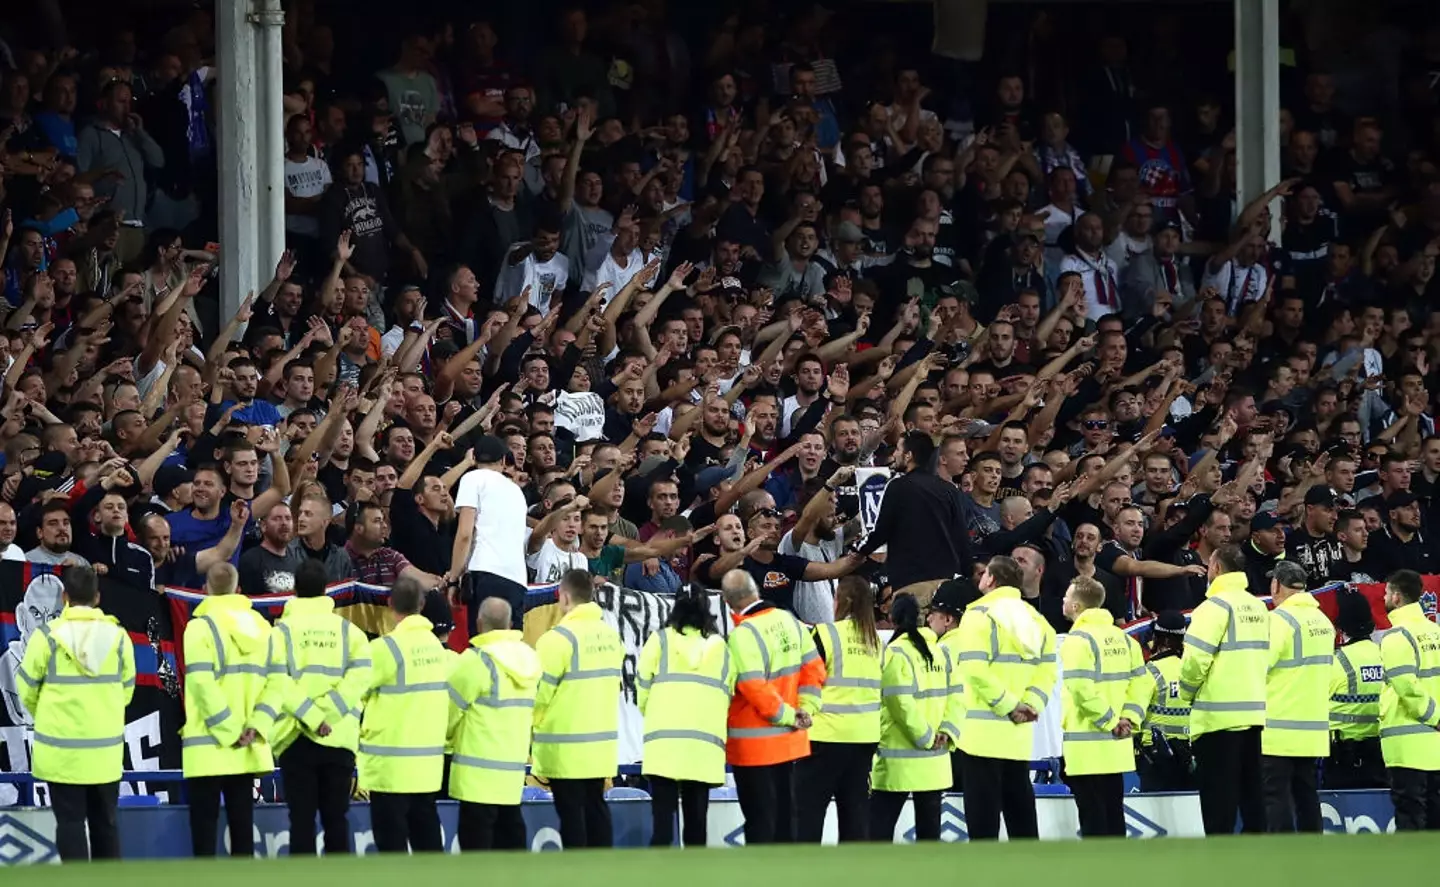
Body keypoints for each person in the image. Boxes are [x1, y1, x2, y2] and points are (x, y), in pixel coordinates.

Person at [183, 563, 319, 857]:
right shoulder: (264, 628)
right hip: (248, 745)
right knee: (242, 827)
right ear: (238, 589)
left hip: (208, 746)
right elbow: (278, 683)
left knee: (204, 833)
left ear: (205, 590)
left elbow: (201, 683)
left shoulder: (198, 628)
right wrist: (256, 726)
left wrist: (229, 731)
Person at [16, 566, 134, 862]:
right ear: (97, 597)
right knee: (106, 824)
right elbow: (127, 690)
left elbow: (26, 689)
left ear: (65, 597)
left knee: (69, 825)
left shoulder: (46, 637)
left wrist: (44, 713)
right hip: (105, 753)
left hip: (60, 753)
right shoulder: (119, 637)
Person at [953, 556, 1057, 841]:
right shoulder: (1037, 620)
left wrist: (1009, 705)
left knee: (983, 823)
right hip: (1018, 735)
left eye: (984, 573)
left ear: (991, 580)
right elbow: (1047, 670)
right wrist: (1030, 705)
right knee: (1021, 816)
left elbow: (974, 668)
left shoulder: (978, 615)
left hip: (980, 736)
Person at [273, 559, 372, 855]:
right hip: (338, 736)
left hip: (295, 736)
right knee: (336, 818)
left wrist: (312, 717)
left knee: (300, 821)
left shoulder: (281, 633)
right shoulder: (349, 632)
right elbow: (361, 677)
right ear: (326, 589)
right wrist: (328, 715)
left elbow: (277, 680)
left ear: (294, 590)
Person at [722, 568, 825, 845]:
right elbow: (814, 669)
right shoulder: (790, 621)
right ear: (756, 591)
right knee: (786, 823)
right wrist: (807, 709)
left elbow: (755, 689)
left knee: (760, 825)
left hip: (754, 749)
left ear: (727, 601)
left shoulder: (742, 634)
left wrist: (790, 716)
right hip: (790, 743)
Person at [1178, 545, 1270, 835]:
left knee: (1219, 809)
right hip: (1253, 716)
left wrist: (1186, 693)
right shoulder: (1258, 607)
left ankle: (1220, 871)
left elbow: (1195, 661)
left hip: (1217, 721)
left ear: (1216, 568)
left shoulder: (1213, 608)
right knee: (1254, 802)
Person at [637, 584, 734, 848]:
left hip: (664, 745)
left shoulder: (660, 640)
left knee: (662, 829)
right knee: (696, 828)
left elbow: (642, 688)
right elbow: (728, 691)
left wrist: (656, 715)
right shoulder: (719, 646)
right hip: (703, 749)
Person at [359, 576, 450, 853]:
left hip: (390, 768)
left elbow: (353, 695)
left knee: (392, 853)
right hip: (427, 768)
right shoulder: (438, 650)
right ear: (422, 605)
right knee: (429, 849)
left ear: (389, 604)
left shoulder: (383, 650)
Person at [533, 569, 623, 849]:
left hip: (565, 748)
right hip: (600, 746)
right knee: (596, 808)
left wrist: (533, 726)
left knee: (572, 817)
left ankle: (578, 876)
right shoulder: (611, 637)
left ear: (564, 596)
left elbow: (539, 695)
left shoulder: (556, 639)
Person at [446, 597, 542, 851]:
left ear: (478, 623)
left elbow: (448, 714)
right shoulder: (531, 660)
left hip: (475, 779)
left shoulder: (474, 661)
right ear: (511, 624)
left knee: (478, 862)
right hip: (512, 775)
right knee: (511, 853)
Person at [1058, 575, 1146, 838]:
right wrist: (1129, 718)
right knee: (1114, 817)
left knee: (1093, 822)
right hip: (1117, 747)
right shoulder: (1124, 640)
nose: (1062, 599)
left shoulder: (1078, 641)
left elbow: (1081, 689)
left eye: (1066, 596)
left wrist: (1110, 721)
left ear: (1076, 606)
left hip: (1086, 749)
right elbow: (1142, 684)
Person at [796, 576, 882, 844]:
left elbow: (806, 678)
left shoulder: (825, 633)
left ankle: (803, 873)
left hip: (826, 735)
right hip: (864, 737)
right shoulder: (876, 641)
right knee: (855, 813)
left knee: (807, 812)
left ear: (840, 601)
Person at [870, 592, 956, 843]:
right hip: (934, 761)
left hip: (899, 760)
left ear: (892, 619)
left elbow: (900, 703)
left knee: (877, 834)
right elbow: (957, 696)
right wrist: (946, 732)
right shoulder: (940, 651)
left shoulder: (896, 653)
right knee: (930, 839)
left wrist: (925, 737)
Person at [858, 430, 974, 603]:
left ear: (908, 456)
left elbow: (881, 532)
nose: (895, 454)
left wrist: (859, 551)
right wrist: (968, 576)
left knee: (913, 631)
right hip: (945, 587)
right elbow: (962, 538)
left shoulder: (898, 486)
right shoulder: (950, 490)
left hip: (911, 587)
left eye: (898, 449)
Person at [1261, 560, 1333, 833]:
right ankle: (1311, 856)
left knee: (1275, 797)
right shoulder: (1323, 622)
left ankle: (1282, 857)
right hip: (1312, 729)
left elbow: (1259, 666)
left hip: (1278, 728)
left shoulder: (1278, 620)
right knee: (1306, 795)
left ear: (1277, 585)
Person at [1379, 569, 1440, 831]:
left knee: (1411, 819)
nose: (1383, 597)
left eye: (1385, 593)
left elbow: (1407, 687)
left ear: (1395, 597)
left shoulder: (1396, 637)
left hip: (1407, 746)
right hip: (1435, 747)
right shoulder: (1435, 631)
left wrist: (1435, 717)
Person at [450, 436, 529, 632]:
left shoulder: (472, 478)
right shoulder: (517, 491)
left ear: (474, 459)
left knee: (484, 646)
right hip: (517, 578)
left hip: (486, 573)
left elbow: (465, 534)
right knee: (510, 648)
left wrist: (453, 578)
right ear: (503, 461)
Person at [1324, 590, 1385, 790]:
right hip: (1382, 755)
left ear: (1341, 626)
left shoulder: (1335, 662)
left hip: (1343, 760)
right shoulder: (1385, 655)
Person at [1134, 610, 1193, 792]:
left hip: (1156, 758)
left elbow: (1134, 713)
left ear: (1161, 639)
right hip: (1190, 754)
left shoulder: (1150, 671)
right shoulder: (1192, 669)